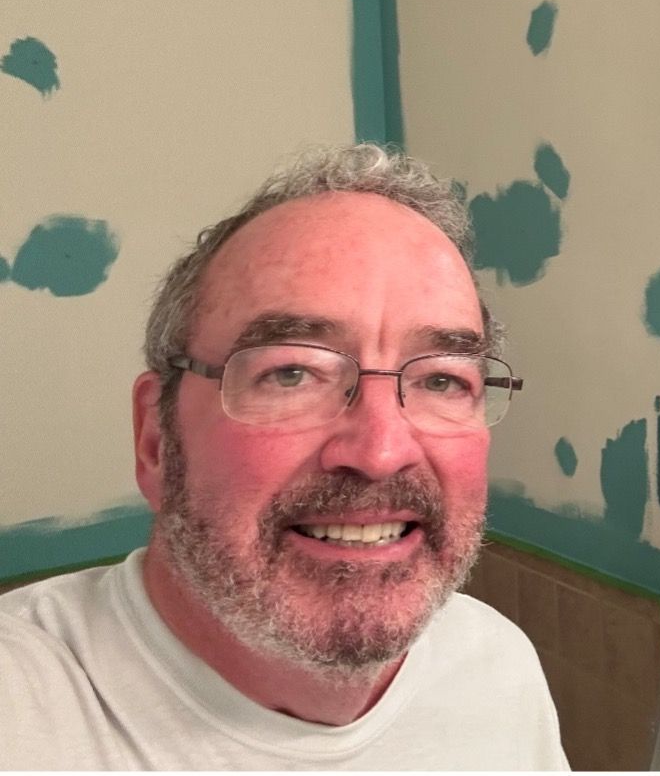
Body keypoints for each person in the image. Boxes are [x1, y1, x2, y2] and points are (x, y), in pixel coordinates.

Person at [0, 144, 568, 769]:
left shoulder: (495, 666)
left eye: (441, 379)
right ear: (155, 440)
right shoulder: (25, 712)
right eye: (292, 372)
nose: (381, 452)